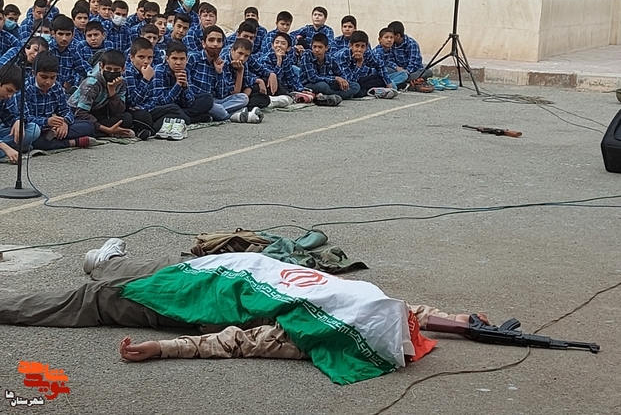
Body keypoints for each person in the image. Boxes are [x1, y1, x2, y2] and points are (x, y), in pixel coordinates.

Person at [0, 237, 489, 379]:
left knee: (99, 295)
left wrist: (163, 349)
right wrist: (458, 322)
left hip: (203, 286)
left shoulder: (339, 312)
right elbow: (407, 312)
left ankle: (103, 265)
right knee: (135, 279)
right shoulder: (348, 314)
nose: (410, 325)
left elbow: (238, 341)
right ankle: (107, 263)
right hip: (210, 278)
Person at [19, 52, 95, 150]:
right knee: (36, 139)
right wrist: (47, 122)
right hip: (37, 128)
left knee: (89, 126)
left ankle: (56, 137)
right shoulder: (26, 89)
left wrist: (65, 123)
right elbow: (25, 118)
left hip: (54, 127)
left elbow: (66, 110)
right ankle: (72, 142)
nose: (48, 82)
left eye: (52, 77)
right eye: (44, 77)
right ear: (34, 73)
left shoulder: (57, 87)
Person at [125, 38, 186, 138]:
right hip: (133, 112)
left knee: (174, 109)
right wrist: (145, 79)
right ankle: (152, 129)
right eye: (141, 57)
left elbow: (153, 99)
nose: (146, 61)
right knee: (142, 116)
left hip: (145, 108)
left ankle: (149, 130)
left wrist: (145, 108)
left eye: (149, 58)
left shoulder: (151, 71)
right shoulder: (128, 72)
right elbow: (132, 102)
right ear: (132, 57)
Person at [67, 49, 136, 138]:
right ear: (101, 66)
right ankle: (107, 132)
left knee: (127, 118)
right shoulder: (91, 84)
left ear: (123, 70)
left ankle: (104, 131)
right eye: (108, 69)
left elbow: (119, 111)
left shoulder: (121, 83)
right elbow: (81, 114)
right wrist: (108, 130)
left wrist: (112, 92)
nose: (112, 72)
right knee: (87, 127)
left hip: (99, 112)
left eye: (116, 70)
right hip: (78, 114)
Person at [188, 26, 250, 123]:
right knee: (217, 109)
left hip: (214, 101)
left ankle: (213, 114)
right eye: (211, 40)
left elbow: (222, 94)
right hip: (197, 100)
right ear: (203, 43)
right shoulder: (193, 58)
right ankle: (233, 115)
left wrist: (219, 72)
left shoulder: (219, 62)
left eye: (219, 41)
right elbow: (187, 85)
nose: (215, 44)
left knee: (243, 98)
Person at [152, 40, 213, 138]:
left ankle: (181, 117)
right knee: (175, 109)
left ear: (186, 59)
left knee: (207, 98)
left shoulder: (184, 71)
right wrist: (177, 85)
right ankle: (187, 119)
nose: (178, 63)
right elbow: (162, 102)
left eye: (182, 59)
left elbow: (189, 102)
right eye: (174, 58)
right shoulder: (159, 71)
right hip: (163, 108)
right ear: (167, 59)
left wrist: (185, 87)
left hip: (179, 107)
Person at [299, 33, 360, 102]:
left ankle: (328, 95)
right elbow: (312, 78)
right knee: (323, 86)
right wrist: (335, 78)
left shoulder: (330, 58)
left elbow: (340, 73)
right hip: (310, 84)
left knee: (355, 86)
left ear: (327, 48)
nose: (317, 50)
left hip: (328, 82)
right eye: (314, 47)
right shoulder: (307, 55)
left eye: (320, 47)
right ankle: (336, 95)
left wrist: (343, 82)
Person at [334, 30, 396, 98]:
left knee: (381, 79)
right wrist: (359, 64)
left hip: (360, 80)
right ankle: (371, 91)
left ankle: (373, 90)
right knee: (356, 88)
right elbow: (350, 81)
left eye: (362, 46)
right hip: (342, 82)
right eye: (357, 46)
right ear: (350, 46)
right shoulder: (342, 56)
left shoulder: (366, 53)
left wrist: (388, 83)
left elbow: (379, 64)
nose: (359, 49)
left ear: (366, 47)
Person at [0, 64, 40, 162]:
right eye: (8, 90)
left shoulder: (4, 99)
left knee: (34, 129)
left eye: (13, 93)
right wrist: (5, 147)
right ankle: (7, 150)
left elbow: (10, 115)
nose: (9, 96)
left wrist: (18, 121)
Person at [47, 15, 91, 92]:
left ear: (73, 34)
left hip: (65, 90)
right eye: (60, 34)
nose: (64, 38)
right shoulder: (48, 49)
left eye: (68, 34)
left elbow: (84, 69)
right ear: (53, 33)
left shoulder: (73, 49)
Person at [386, 20, 433, 86]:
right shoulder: (391, 44)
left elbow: (413, 64)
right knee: (384, 69)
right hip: (397, 71)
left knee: (427, 72)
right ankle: (401, 80)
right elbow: (388, 60)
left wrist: (405, 72)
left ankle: (399, 80)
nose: (389, 39)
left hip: (411, 72)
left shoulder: (412, 44)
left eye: (391, 37)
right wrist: (397, 68)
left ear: (398, 36)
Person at [260, 31, 303, 96]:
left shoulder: (286, 59)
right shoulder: (266, 58)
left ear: (288, 48)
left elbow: (290, 78)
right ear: (272, 46)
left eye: (283, 43)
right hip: (271, 88)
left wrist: (301, 89)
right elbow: (275, 79)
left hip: (284, 88)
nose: (279, 45)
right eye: (277, 42)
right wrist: (279, 62)